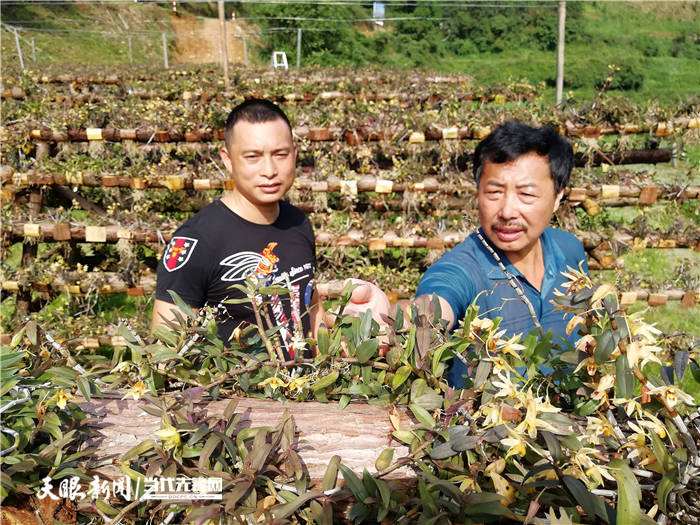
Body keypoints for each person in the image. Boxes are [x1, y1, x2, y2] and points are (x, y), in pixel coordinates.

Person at [349, 121, 588, 386]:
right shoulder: (463, 268)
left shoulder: (569, 250)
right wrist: (386, 321)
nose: (507, 211)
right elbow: (434, 306)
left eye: (526, 194)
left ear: (557, 197)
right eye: (494, 192)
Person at [151, 99, 323, 358]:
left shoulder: (299, 223)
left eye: (280, 154)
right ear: (228, 160)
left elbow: (310, 307)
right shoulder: (197, 240)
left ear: (295, 154)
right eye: (252, 157)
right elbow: (165, 352)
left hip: (303, 393)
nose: (269, 170)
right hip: (233, 396)